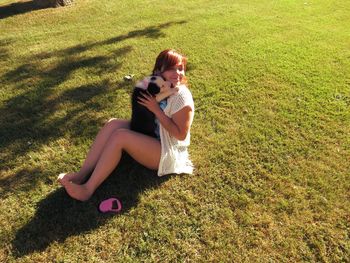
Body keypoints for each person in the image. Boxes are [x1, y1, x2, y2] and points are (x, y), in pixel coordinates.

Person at [58, 49, 195, 201]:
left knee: (120, 136)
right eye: (171, 68)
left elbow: (180, 135)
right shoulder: (161, 85)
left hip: (167, 150)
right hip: (152, 134)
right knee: (113, 124)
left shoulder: (182, 97)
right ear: (159, 71)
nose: (177, 73)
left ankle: (87, 189)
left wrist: (156, 110)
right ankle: (81, 175)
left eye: (180, 68)